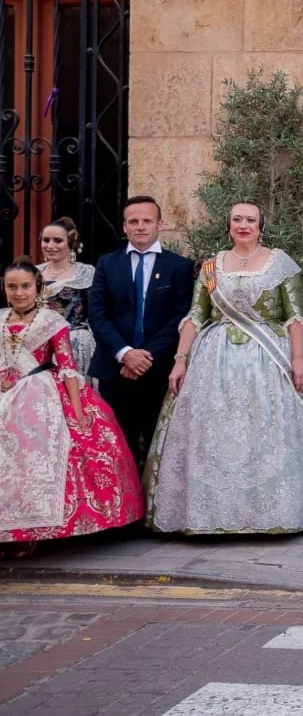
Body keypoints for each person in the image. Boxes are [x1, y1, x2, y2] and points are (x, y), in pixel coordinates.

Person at [144, 202, 303, 534]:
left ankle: (269, 513)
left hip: (269, 361)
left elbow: (295, 316)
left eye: (250, 220)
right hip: (213, 363)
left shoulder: (280, 264)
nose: (243, 225)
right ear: (228, 225)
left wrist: (299, 358)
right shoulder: (211, 268)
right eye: (236, 219)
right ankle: (212, 516)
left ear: (261, 226)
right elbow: (195, 316)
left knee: (266, 435)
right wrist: (180, 360)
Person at [0, 259, 144, 546]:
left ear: (38, 287)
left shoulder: (51, 321)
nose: (19, 293)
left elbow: (67, 367)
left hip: (41, 394)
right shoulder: (1, 319)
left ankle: (38, 531)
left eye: (25, 286)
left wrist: (77, 412)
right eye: (12, 287)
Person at [87, 196, 195, 469]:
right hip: (115, 370)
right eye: (133, 221)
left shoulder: (179, 267)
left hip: (158, 371)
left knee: (160, 449)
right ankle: (126, 510)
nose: (140, 226)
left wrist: (143, 358)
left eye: (147, 220)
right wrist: (125, 354)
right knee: (118, 447)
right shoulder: (107, 264)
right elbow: (97, 315)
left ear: (160, 224)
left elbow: (180, 318)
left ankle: (153, 509)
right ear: (124, 227)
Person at [39, 217, 96, 372]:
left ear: (70, 243)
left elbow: (96, 313)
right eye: (46, 240)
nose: (50, 246)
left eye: (57, 241)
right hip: (38, 346)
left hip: (74, 344)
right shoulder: (34, 273)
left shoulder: (85, 273)